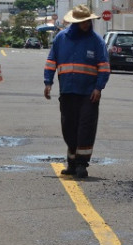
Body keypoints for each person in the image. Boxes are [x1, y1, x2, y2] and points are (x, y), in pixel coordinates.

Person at [44, 5, 110, 179]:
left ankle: (82, 164)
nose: (87, 24)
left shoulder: (96, 41)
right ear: (76, 22)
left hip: (89, 94)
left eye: (88, 21)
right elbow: (52, 61)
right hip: (67, 91)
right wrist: (48, 82)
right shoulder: (61, 38)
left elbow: (104, 67)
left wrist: (98, 87)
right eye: (83, 21)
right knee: (69, 127)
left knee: (85, 129)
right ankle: (72, 162)